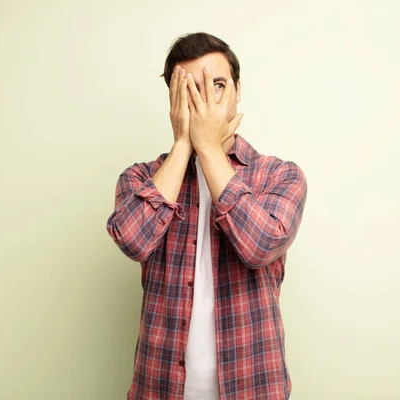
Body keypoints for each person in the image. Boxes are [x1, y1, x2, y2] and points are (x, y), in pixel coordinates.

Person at [107, 32, 306, 400]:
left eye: (217, 85)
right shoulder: (140, 178)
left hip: (253, 386)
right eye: (191, 91)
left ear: (237, 90)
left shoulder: (279, 176)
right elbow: (132, 240)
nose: (206, 101)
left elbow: (260, 246)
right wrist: (184, 143)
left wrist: (210, 148)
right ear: (173, 101)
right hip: (160, 387)